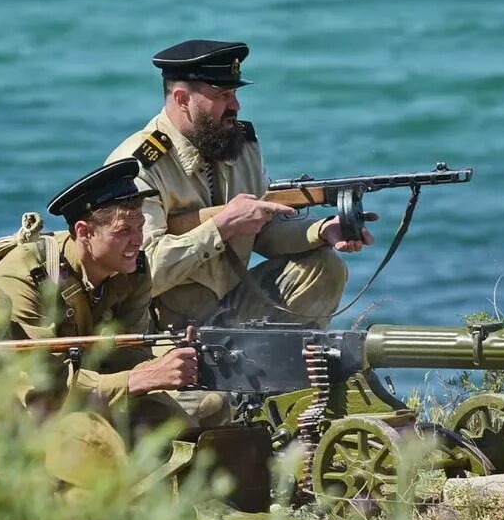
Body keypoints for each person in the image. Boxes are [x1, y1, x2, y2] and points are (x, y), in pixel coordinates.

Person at [105, 39, 376, 335]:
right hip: (161, 328)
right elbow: (140, 270)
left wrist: (321, 231)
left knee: (325, 267)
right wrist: (221, 228)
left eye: (234, 93)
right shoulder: (138, 166)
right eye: (222, 96)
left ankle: (282, 366)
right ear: (182, 99)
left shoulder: (238, 145)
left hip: (228, 312)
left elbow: (264, 227)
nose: (235, 106)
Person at [0, 158, 199, 489]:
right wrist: (135, 380)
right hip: (20, 406)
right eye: (123, 231)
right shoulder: (27, 277)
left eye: (140, 227)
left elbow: (129, 352)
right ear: (84, 232)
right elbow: (41, 389)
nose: (137, 241)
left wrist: (167, 367)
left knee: (181, 428)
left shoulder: (132, 270)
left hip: (85, 387)